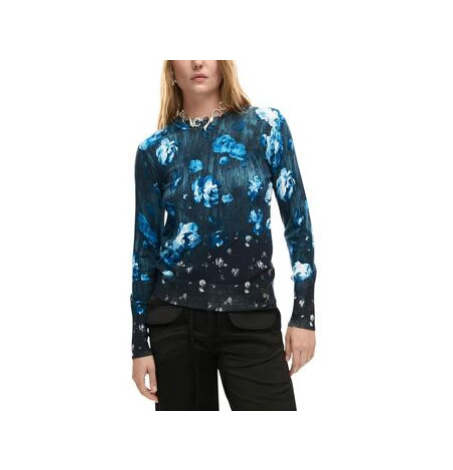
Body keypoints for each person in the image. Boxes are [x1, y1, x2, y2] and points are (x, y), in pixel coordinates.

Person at [130, 60, 317, 411]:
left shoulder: (265, 127)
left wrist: (304, 314)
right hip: (175, 322)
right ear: (170, 70)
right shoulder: (154, 150)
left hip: (252, 315)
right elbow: (145, 250)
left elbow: (298, 222)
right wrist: (140, 343)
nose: (198, 61)